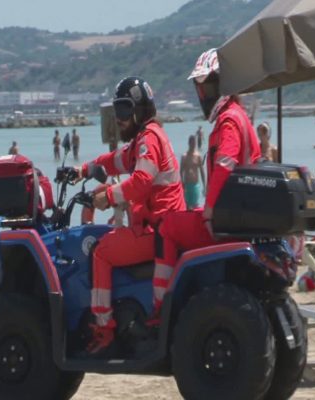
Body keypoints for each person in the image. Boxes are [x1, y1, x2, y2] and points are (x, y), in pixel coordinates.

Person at [75, 77, 185, 354]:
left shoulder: (148, 139)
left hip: (158, 229)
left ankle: (103, 327)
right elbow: (115, 161)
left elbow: (140, 182)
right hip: (159, 226)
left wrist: (107, 197)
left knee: (100, 252)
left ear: (138, 110)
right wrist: (84, 169)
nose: (119, 119)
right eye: (116, 111)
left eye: (123, 111)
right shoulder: (145, 139)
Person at [150, 48, 261, 320]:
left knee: (166, 228)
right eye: (200, 88)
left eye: (207, 86)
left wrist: (209, 210)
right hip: (242, 215)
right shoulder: (240, 116)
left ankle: (160, 310)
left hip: (227, 221)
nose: (203, 95)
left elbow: (224, 165)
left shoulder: (229, 120)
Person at [180, 135, 205, 210]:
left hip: (195, 185)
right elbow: (181, 171)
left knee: (195, 207)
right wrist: (182, 184)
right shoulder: (184, 156)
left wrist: (204, 185)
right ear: (189, 143)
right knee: (187, 207)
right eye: (192, 143)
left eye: (194, 143)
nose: (193, 145)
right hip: (186, 185)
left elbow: (202, 171)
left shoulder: (198, 156)